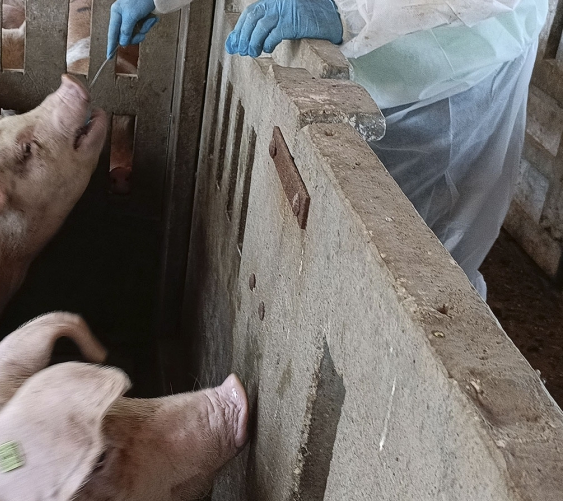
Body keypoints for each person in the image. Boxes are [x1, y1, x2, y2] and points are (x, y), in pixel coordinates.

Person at [107, 0, 548, 299]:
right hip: (339, 62)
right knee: (334, 257)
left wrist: (351, 9)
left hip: (446, 66)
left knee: (421, 271)